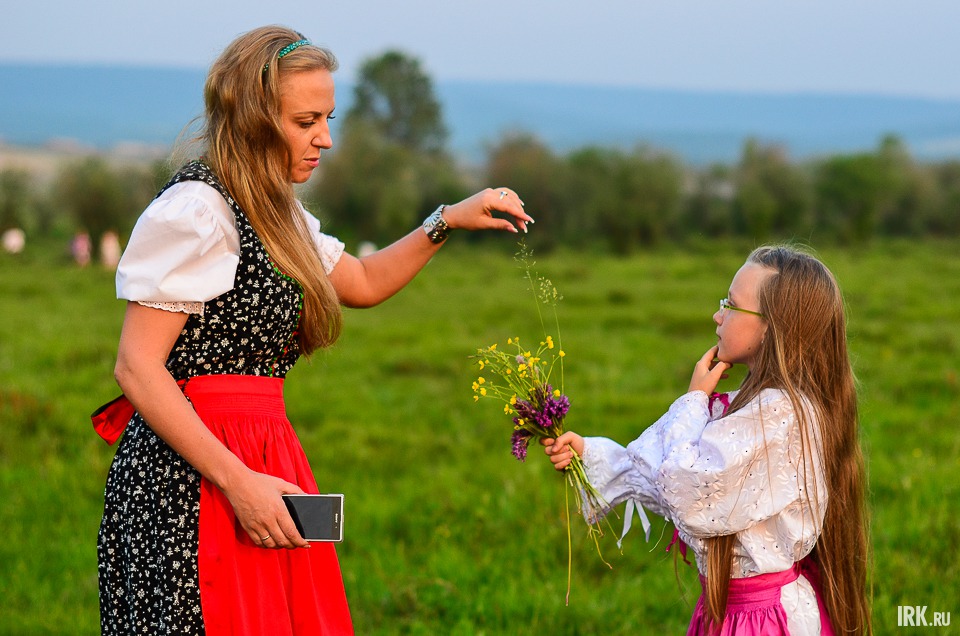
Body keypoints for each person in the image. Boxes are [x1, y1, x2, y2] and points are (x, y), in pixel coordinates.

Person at [95, 25, 533, 636]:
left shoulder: (277, 209)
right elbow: (136, 367)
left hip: (264, 451)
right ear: (253, 118)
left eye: (327, 118)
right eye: (307, 122)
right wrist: (238, 482)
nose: (325, 139)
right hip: (192, 476)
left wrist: (448, 220)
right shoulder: (198, 210)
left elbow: (361, 282)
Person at [542, 246, 870, 635]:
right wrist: (592, 453)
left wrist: (693, 399)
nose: (718, 315)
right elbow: (670, 476)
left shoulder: (779, 416)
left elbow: (685, 484)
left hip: (763, 621)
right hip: (731, 613)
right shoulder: (752, 408)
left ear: (773, 327)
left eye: (731, 305)